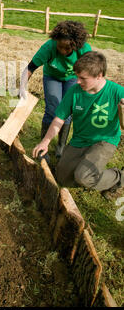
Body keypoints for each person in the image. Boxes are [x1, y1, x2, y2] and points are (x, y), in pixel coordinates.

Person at [32, 51, 124, 201]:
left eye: (83, 78)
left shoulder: (117, 92)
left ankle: (119, 179)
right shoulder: (75, 91)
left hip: (104, 140)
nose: (77, 81)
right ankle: (90, 173)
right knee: (62, 179)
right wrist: (46, 141)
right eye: (76, 76)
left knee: (83, 177)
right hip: (80, 139)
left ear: (99, 75)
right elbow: (59, 119)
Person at [19, 20, 91, 159]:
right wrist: (22, 87)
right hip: (52, 76)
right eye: (60, 47)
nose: (62, 51)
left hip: (73, 78)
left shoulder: (84, 49)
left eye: (67, 49)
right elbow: (30, 68)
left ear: (75, 46)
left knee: (67, 111)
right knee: (52, 109)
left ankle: (60, 147)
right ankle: (42, 146)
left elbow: (91, 70)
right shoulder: (49, 47)